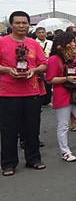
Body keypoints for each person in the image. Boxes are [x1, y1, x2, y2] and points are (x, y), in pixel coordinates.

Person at [0, 11, 48, 176]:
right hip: (7, 94)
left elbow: (44, 64)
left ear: (29, 25)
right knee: (8, 130)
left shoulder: (33, 44)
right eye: (18, 23)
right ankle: (8, 163)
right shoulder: (2, 42)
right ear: (11, 25)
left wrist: (33, 70)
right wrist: (8, 70)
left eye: (24, 23)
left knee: (32, 129)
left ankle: (33, 159)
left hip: (31, 92)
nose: (21, 26)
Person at [46, 31, 76, 161]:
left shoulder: (75, 57)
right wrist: (65, 79)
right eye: (72, 41)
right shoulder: (54, 59)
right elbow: (50, 79)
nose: (74, 44)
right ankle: (65, 152)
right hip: (62, 96)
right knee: (63, 126)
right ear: (63, 44)